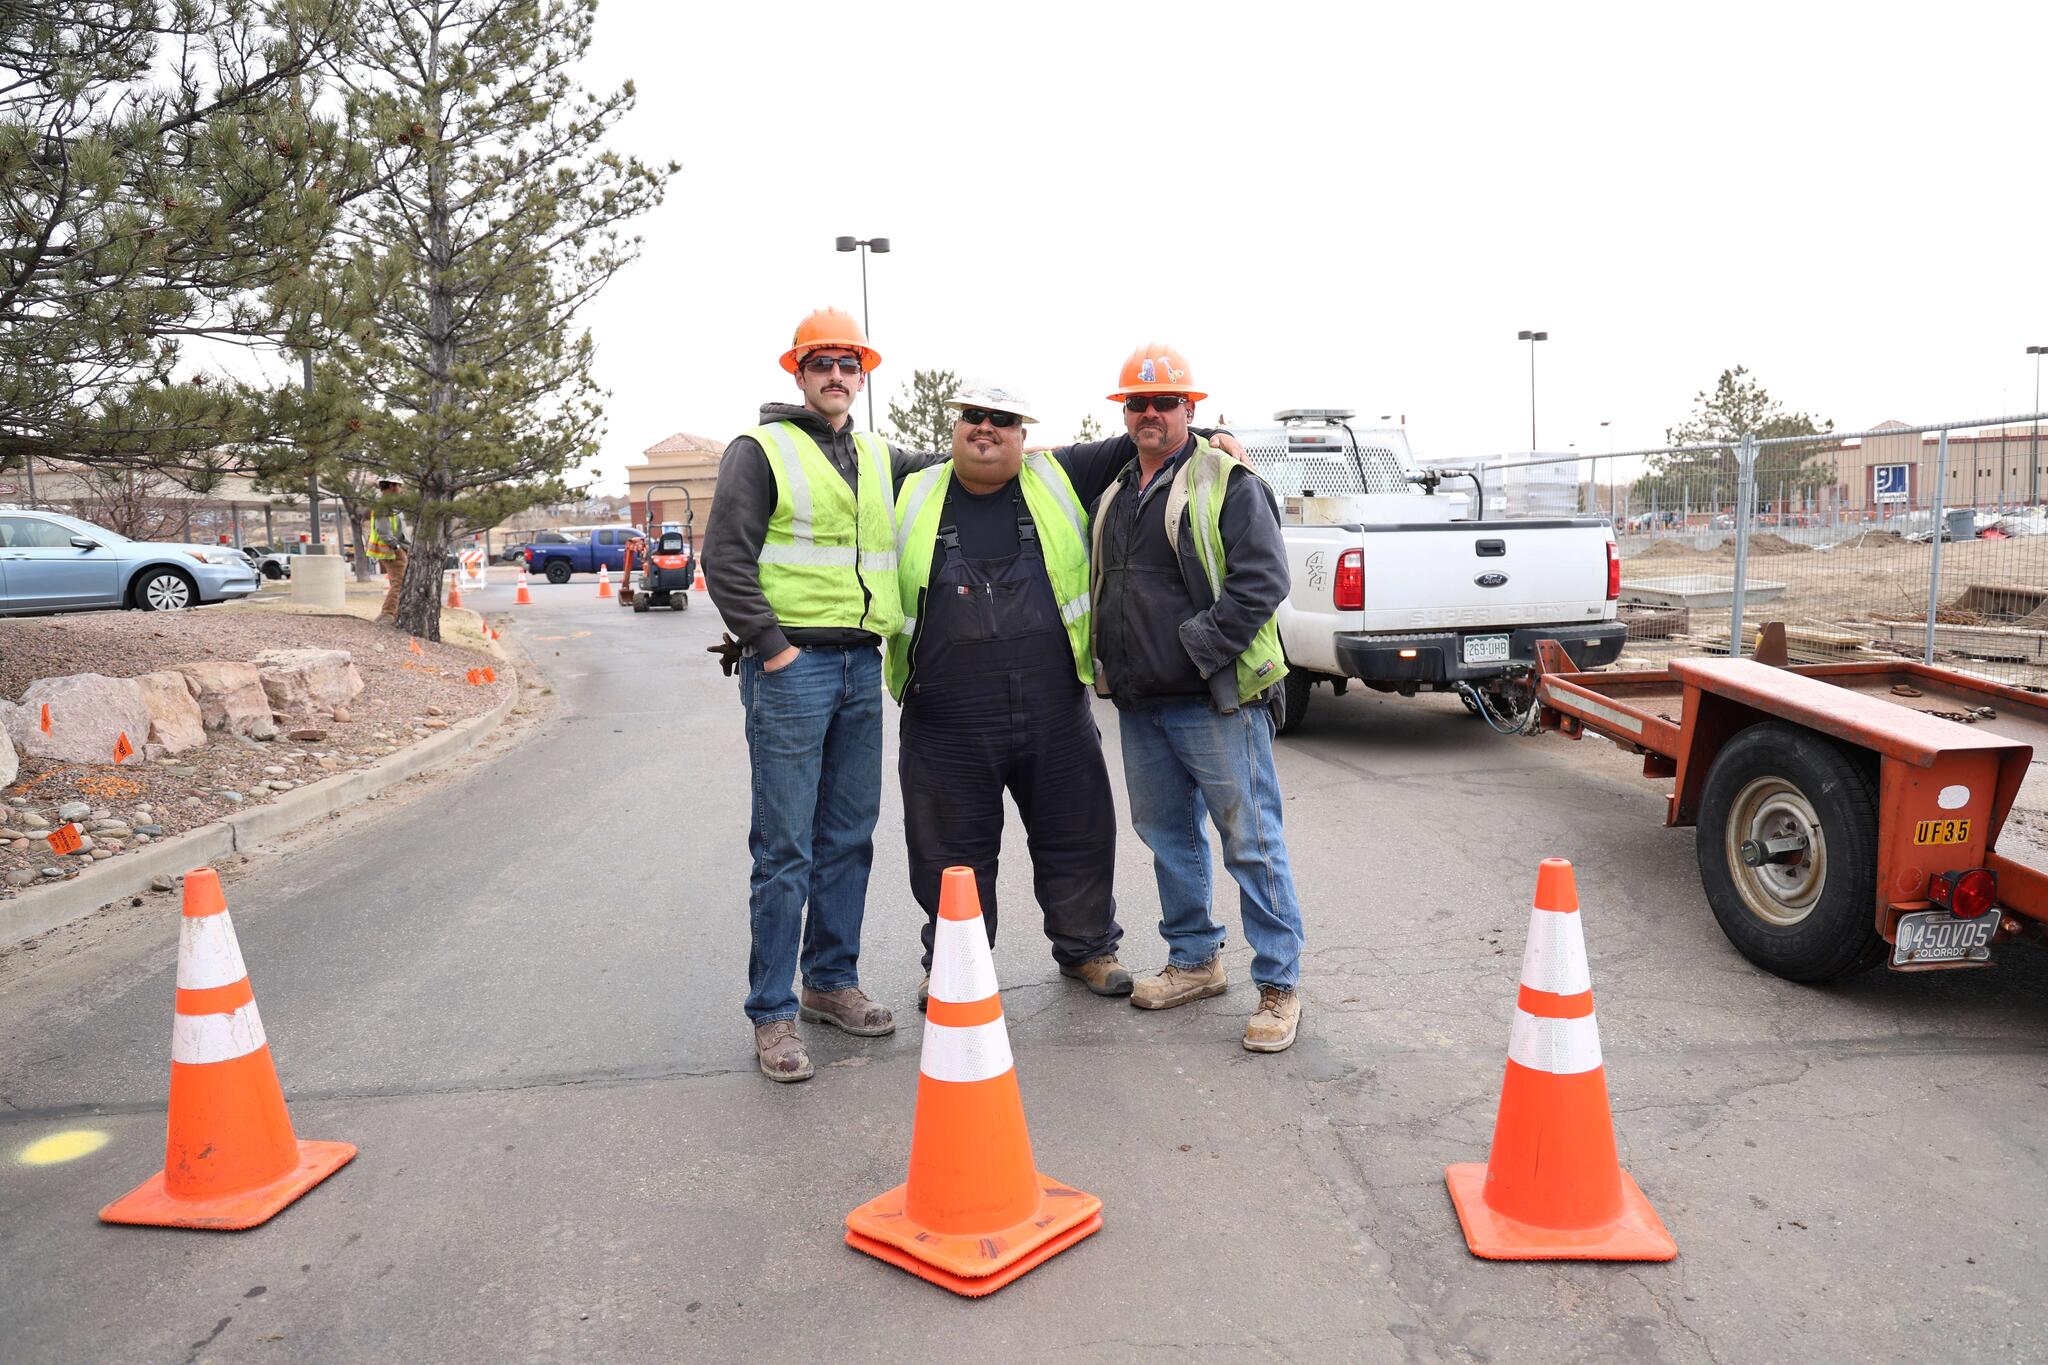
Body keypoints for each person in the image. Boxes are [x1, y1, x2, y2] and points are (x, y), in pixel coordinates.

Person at [701, 308, 934, 1083]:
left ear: (862, 376)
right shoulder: (760, 450)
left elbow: (961, 461)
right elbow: (724, 558)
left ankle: (830, 980)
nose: (836, 375)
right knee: (785, 847)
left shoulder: (876, 454)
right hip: (792, 669)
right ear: (797, 373)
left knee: (848, 836)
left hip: (861, 666)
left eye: (848, 364)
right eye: (821, 363)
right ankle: (772, 1012)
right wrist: (773, 647)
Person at [1084, 343, 1308, 1053]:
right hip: (1142, 701)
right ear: (1124, 411)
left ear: (1190, 408)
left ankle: (1279, 985)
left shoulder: (1227, 480)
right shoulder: (1118, 487)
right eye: (1137, 403)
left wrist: (1195, 647)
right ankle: (1194, 960)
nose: (1149, 413)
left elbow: (1262, 580)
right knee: (1168, 837)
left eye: (1164, 402)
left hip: (1216, 701)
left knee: (1251, 841)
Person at [889, 384, 1130, 1010]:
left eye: (1002, 419)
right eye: (973, 416)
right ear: (954, 427)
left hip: (1054, 705)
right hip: (945, 714)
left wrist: (1214, 435)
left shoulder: (1059, 476)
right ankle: (955, 965)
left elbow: (1146, 437)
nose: (985, 428)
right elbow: (835, 453)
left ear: (1023, 434)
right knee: (949, 854)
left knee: (1077, 832)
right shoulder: (911, 486)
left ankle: (1088, 949)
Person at [367, 474, 411, 624]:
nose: (400, 489)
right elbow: (383, 531)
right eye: (399, 485)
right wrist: (397, 548)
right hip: (391, 551)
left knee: (398, 582)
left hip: (396, 549)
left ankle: (392, 614)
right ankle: (388, 615)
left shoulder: (392, 505)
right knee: (399, 583)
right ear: (392, 486)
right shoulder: (384, 506)